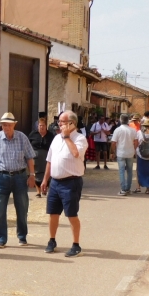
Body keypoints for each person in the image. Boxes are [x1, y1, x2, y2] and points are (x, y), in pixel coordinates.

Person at [0, 112, 36, 248]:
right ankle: (0, 239)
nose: (6, 127)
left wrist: (32, 175)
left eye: (9, 125)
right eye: (4, 125)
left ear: (14, 125)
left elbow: (29, 157)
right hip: (1, 177)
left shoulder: (22, 138)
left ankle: (22, 237)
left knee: (22, 208)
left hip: (20, 177)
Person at [40, 110, 88, 257]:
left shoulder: (80, 139)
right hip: (55, 182)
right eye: (59, 121)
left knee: (71, 214)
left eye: (62, 122)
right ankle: (52, 240)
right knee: (53, 213)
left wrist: (67, 137)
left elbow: (75, 153)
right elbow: (50, 160)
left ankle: (76, 244)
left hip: (71, 182)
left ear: (72, 123)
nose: (58, 124)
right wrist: (45, 179)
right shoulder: (56, 138)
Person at [110, 114, 138, 195]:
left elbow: (113, 143)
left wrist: (112, 152)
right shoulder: (133, 130)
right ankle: (128, 188)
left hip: (121, 152)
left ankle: (123, 189)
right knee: (130, 171)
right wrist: (134, 150)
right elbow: (136, 142)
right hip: (130, 152)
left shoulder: (117, 130)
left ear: (120, 120)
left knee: (121, 171)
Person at [28, 118, 55, 198]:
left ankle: (45, 188)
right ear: (37, 126)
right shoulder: (33, 134)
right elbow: (28, 145)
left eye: (43, 125)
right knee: (36, 172)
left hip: (47, 156)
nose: (41, 127)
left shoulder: (50, 135)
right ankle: (38, 191)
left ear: (46, 126)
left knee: (46, 172)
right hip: (35, 156)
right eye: (40, 125)